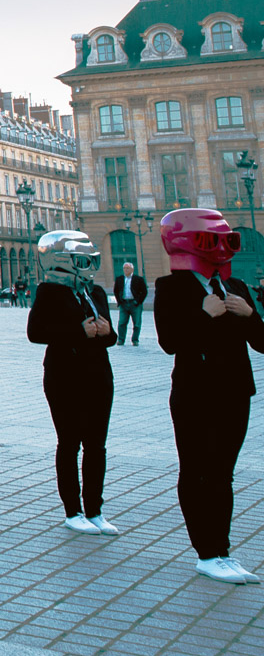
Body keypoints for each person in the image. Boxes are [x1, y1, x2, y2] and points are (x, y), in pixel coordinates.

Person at [151, 208, 264, 584]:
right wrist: (203, 314)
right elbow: (170, 342)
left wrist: (249, 315)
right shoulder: (170, 288)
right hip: (195, 394)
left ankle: (223, 550)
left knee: (223, 474)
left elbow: (262, 342)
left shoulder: (238, 288)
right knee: (197, 470)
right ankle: (206, 552)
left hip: (236, 393)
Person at [29, 230, 118, 535]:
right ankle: (72, 510)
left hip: (98, 375)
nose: (88, 265)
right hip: (64, 375)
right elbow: (36, 333)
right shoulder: (49, 292)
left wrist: (106, 331)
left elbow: (112, 337)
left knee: (97, 445)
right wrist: (79, 332)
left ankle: (95, 509)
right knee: (70, 444)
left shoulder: (95, 293)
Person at [113, 262, 147, 346]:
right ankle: (121, 339)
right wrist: (119, 301)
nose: (126, 270)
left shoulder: (138, 279)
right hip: (124, 304)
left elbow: (144, 292)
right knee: (121, 323)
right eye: (124, 268)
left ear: (132, 269)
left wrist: (138, 301)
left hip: (134, 304)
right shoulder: (119, 279)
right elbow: (116, 291)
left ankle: (135, 340)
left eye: (127, 268)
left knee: (137, 324)